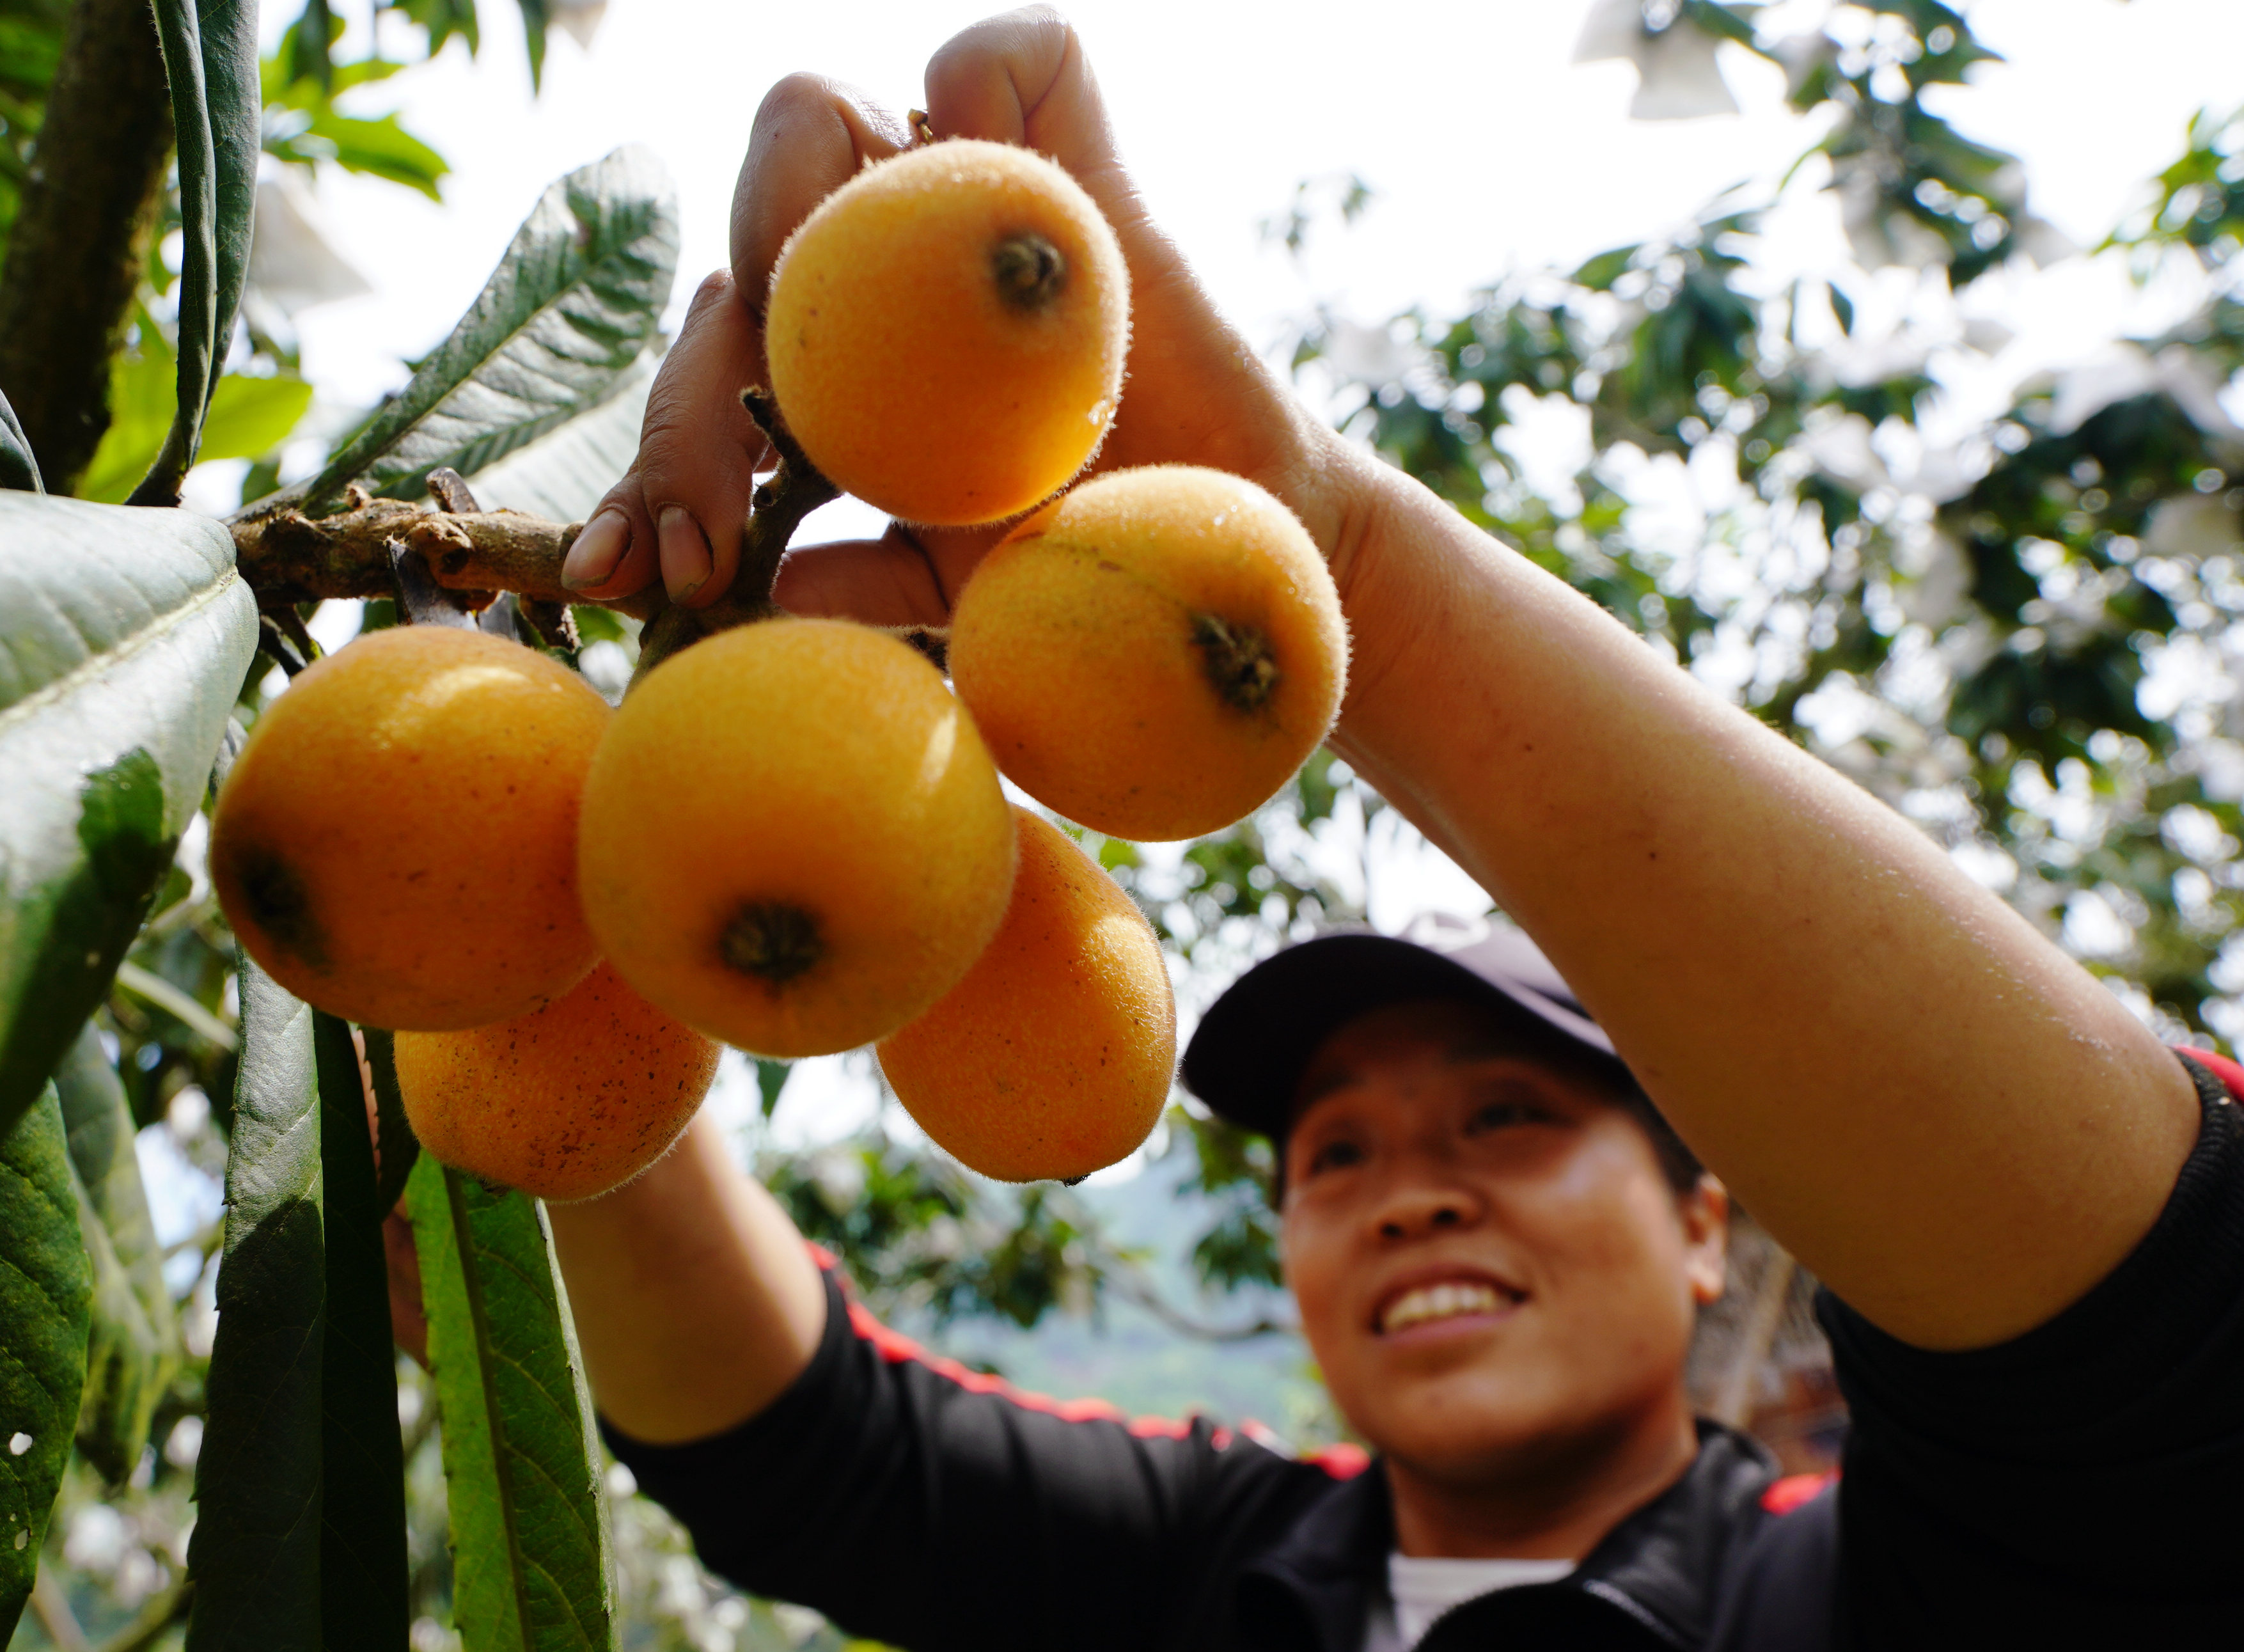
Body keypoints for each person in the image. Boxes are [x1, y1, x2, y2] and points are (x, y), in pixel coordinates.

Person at [540, 10, 2244, 1646]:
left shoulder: (1887, 1594)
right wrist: (558, 883)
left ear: (1708, 1224)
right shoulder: (1215, 1574)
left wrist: (1346, 567)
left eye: (1505, 1116)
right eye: (1336, 1154)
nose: (1408, 1197)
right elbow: (801, 1453)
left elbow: (2166, 1342)